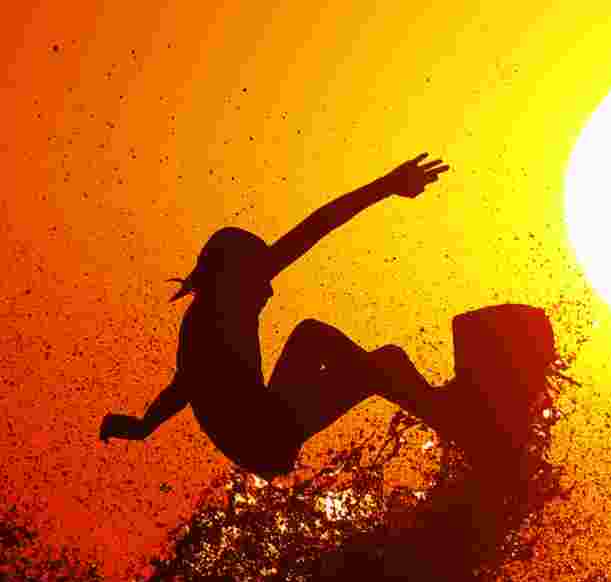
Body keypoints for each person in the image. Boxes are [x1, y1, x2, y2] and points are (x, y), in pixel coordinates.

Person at [99, 153, 454, 481]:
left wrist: (144, 426)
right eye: (260, 278)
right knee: (386, 363)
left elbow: (185, 385)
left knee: (313, 336)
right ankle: (451, 422)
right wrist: (386, 186)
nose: (268, 290)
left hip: (264, 423)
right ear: (233, 275)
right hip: (264, 436)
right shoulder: (216, 313)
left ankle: (427, 403)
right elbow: (186, 385)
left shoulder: (218, 305)